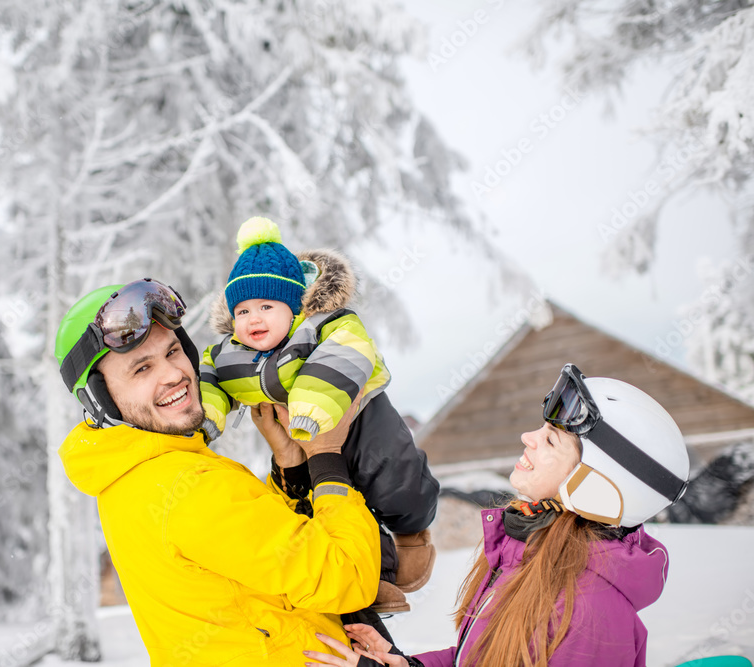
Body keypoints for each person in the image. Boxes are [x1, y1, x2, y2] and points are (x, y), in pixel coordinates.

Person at [54, 277, 383, 665]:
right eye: (141, 369)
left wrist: (290, 467)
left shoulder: (128, 473)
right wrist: (327, 455)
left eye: (174, 351)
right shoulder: (191, 487)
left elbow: (251, 577)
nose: (175, 374)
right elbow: (347, 576)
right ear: (101, 397)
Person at [306, 363, 691, 667]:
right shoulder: (535, 554)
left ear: (596, 487)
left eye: (551, 439)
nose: (529, 437)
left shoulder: (588, 616)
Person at [200, 217, 440, 613]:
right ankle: (374, 573)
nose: (253, 319)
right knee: (326, 504)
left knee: (393, 477)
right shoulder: (231, 353)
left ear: (295, 306)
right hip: (302, 438)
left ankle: (413, 530)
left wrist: (314, 406)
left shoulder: (323, 326)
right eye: (242, 310)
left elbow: (347, 351)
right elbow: (209, 377)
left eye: (266, 306)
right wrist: (209, 417)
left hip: (359, 416)